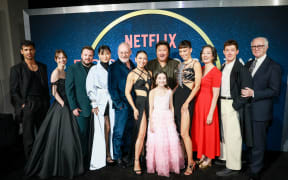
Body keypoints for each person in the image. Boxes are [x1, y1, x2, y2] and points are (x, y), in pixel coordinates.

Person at [24, 50, 84, 179]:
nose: (62, 60)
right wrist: (62, 103)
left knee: (70, 136)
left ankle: (70, 164)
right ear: (55, 59)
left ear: (66, 59)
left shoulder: (67, 72)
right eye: (59, 58)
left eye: (64, 58)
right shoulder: (55, 72)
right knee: (62, 136)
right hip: (61, 107)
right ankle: (59, 165)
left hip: (68, 105)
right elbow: (54, 92)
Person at [241, 37, 281, 180]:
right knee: (249, 140)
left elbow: (275, 91)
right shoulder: (248, 64)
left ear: (266, 47)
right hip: (246, 109)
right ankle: (251, 163)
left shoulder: (274, 66)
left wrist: (254, 93)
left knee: (258, 142)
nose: (256, 48)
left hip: (260, 111)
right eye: (253, 46)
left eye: (259, 46)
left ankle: (255, 170)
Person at [215, 40, 253, 177]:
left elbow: (247, 90)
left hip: (232, 105)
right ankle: (225, 158)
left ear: (237, 52)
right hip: (222, 103)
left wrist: (236, 105)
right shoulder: (224, 66)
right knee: (224, 134)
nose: (229, 52)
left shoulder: (241, 69)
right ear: (224, 52)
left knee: (233, 136)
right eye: (227, 50)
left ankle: (234, 165)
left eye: (232, 50)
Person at [9, 40, 50, 159]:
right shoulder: (16, 69)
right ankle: (31, 164)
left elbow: (45, 87)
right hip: (28, 104)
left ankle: (43, 160)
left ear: (35, 50)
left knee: (43, 133)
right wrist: (22, 104)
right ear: (22, 52)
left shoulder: (42, 67)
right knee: (28, 136)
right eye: (26, 50)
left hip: (42, 103)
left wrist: (46, 103)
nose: (29, 52)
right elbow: (14, 91)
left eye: (31, 49)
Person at [146, 71, 184, 177]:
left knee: (170, 142)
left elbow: (171, 106)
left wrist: (172, 119)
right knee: (158, 142)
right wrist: (151, 122)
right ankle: (159, 166)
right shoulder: (152, 92)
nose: (162, 80)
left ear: (166, 80)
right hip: (156, 117)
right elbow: (151, 108)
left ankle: (170, 165)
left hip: (167, 117)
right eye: (159, 78)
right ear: (156, 80)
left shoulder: (169, 91)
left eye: (164, 78)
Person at [173, 40, 201, 175]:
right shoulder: (180, 65)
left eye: (185, 50)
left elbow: (197, 86)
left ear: (190, 50)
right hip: (177, 98)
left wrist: (187, 102)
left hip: (187, 99)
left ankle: (191, 162)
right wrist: (168, 97)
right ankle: (184, 160)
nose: (183, 53)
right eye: (180, 51)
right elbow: (178, 85)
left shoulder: (196, 64)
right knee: (180, 133)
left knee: (185, 133)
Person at [191, 45, 222, 169]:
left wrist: (210, 113)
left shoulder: (216, 72)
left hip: (209, 106)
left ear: (213, 55)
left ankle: (209, 158)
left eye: (208, 53)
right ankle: (202, 155)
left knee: (208, 131)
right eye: (203, 53)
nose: (205, 55)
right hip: (198, 105)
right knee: (200, 131)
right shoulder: (201, 68)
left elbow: (216, 95)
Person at [86, 45, 115, 170]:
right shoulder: (94, 69)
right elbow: (89, 87)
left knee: (110, 128)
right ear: (98, 55)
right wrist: (93, 103)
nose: (105, 56)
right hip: (100, 101)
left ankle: (110, 153)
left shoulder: (113, 67)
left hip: (112, 101)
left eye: (107, 54)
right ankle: (104, 155)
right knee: (103, 129)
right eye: (103, 54)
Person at [65, 46, 94, 169]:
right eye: (85, 55)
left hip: (95, 109)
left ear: (93, 57)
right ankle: (81, 162)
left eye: (90, 55)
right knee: (81, 136)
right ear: (81, 55)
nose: (88, 57)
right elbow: (69, 89)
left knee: (92, 137)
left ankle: (91, 161)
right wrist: (73, 107)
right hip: (81, 109)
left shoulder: (95, 68)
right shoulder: (73, 68)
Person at [108, 42, 135, 167]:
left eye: (126, 52)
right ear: (117, 53)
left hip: (133, 105)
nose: (124, 54)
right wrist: (119, 104)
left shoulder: (133, 65)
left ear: (130, 52)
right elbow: (111, 88)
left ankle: (126, 156)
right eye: (121, 52)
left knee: (129, 131)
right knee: (119, 132)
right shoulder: (113, 67)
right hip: (122, 105)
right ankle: (118, 157)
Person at [125, 50, 152, 175]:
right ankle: (136, 161)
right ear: (135, 59)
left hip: (150, 104)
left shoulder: (150, 73)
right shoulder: (132, 74)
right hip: (139, 105)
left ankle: (143, 158)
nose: (142, 61)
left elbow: (152, 91)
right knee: (141, 134)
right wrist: (134, 108)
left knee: (148, 135)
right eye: (140, 58)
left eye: (145, 58)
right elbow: (127, 92)